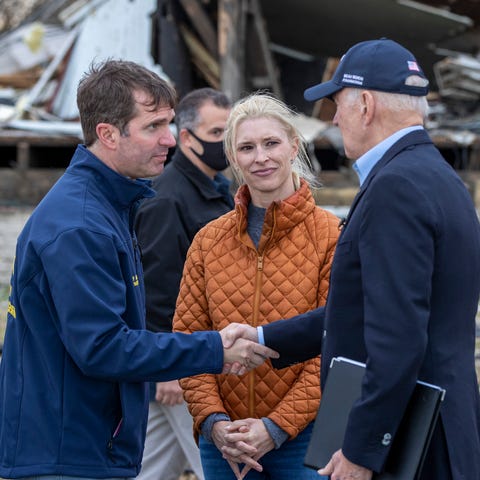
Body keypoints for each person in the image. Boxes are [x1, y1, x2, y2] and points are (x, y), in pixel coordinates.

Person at [0, 59, 279, 480]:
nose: (169, 139)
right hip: (65, 453)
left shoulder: (113, 204)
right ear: (107, 134)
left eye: (169, 123)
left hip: (86, 443)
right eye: (152, 127)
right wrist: (214, 350)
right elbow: (102, 347)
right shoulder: (80, 225)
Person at [221, 39, 480, 480]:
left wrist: (361, 451)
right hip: (439, 430)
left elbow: (397, 337)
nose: (334, 119)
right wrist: (265, 336)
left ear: (365, 103)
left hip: (412, 446)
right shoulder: (438, 177)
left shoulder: (395, 187)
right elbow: (364, 311)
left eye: (337, 104)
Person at [173, 92, 339, 480]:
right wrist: (214, 423)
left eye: (271, 143)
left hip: (303, 438)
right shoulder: (208, 241)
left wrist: (275, 427)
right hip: (224, 444)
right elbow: (188, 338)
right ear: (233, 157)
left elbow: (336, 343)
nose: (260, 157)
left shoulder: (332, 235)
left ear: (294, 145)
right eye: (246, 147)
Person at [134, 87, 234, 480]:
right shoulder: (168, 199)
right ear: (187, 137)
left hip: (203, 351)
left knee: (152, 464)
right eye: (216, 134)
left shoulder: (215, 189)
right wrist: (165, 368)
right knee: (219, 464)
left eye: (230, 131)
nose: (225, 144)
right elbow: (157, 288)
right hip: (184, 362)